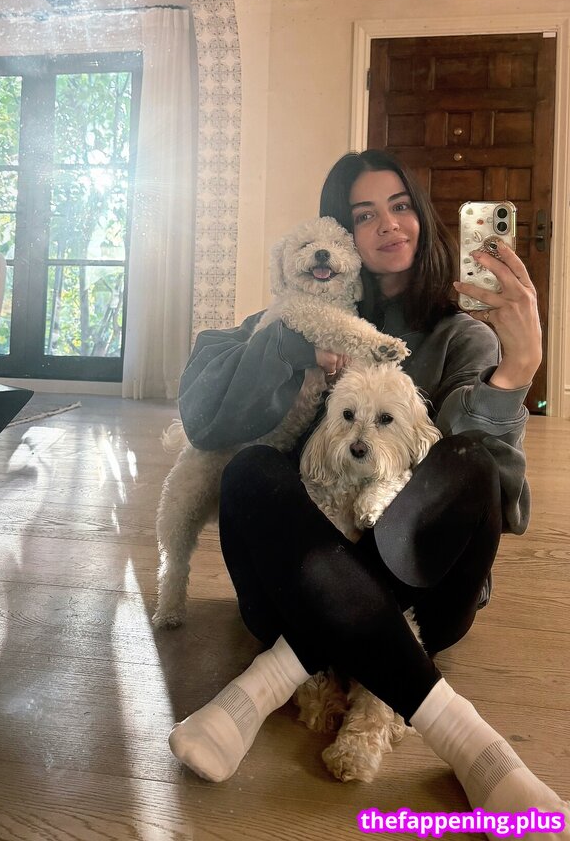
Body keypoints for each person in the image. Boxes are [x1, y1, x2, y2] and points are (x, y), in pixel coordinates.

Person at [168, 150, 567, 837]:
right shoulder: (299, 318)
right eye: (363, 214)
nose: (388, 225)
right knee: (249, 470)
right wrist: (290, 347)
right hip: (296, 583)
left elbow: (490, 499)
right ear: (338, 235)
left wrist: (517, 371)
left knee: (468, 459)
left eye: (401, 205)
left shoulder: (465, 336)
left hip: (422, 596)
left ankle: (270, 679)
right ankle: (464, 736)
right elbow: (205, 418)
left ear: (424, 218)